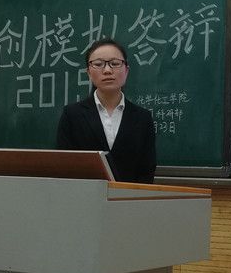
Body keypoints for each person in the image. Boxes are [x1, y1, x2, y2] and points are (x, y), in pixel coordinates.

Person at [56, 39, 156, 183]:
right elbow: (65, 167)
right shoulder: (71, 115)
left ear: (126, 70)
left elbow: (147, 170)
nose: (107, 70)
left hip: (130, 195)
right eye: (98, 64)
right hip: (85, 195)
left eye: (115, 63)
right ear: (89, 72)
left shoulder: (143, 118)